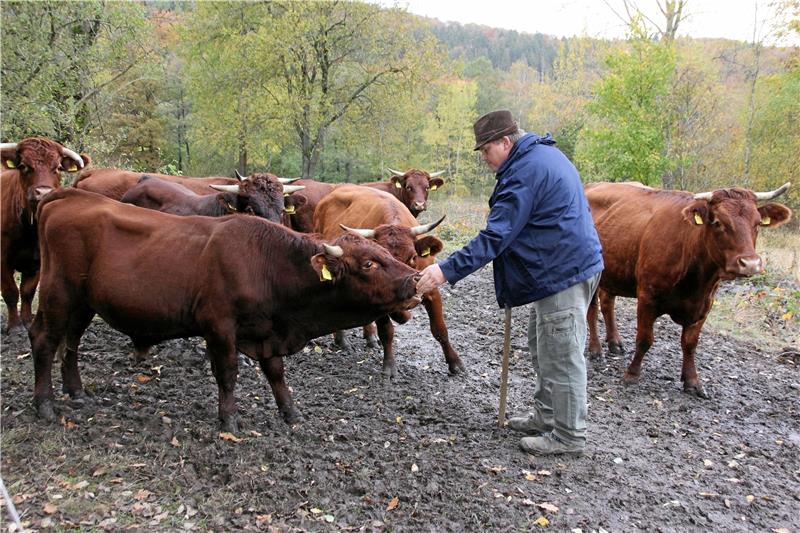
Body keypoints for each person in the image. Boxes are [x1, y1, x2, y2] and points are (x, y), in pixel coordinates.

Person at [415, 110, 603, 456]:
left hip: (563, 272)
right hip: (566, 266)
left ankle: (569, 435)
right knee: (543, 345)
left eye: (486, 150)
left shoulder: (524, 173)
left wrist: (444, 270)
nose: (485, 158)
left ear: (505, 142)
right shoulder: (540, 156)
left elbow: (495, 237)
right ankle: (546, 416)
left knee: (561, 354)